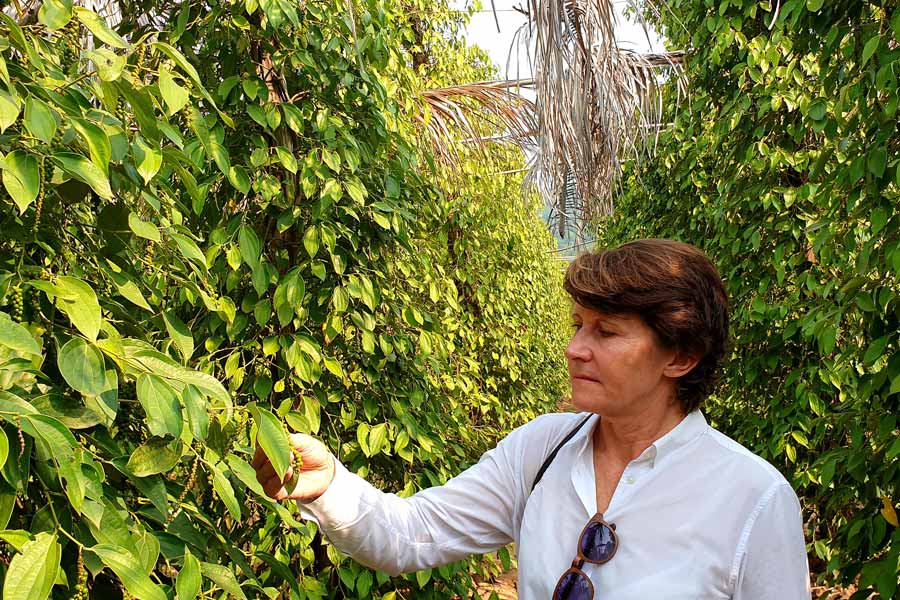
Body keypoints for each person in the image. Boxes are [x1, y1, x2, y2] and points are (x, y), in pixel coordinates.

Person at [252, 239, 811, 599]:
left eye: (606, 332)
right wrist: (327, 489)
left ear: (681, 356)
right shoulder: (542, 451)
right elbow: (413, 534)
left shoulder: (752, 500)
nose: (575, 348)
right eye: (578, 325)